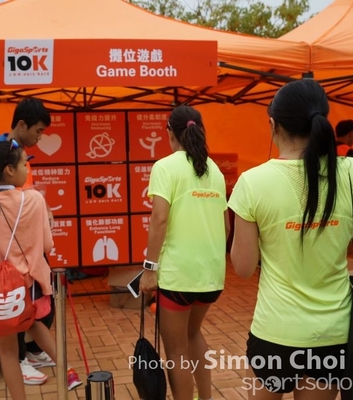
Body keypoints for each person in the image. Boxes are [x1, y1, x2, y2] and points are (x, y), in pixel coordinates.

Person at [228, 79, 353, 399]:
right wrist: (338, 225)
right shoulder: (351, 172)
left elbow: (243, 267)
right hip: (332, 333)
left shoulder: (252, 182)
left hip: (275, 331)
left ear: (273, 125)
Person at [0, 140, 81, 398]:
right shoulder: (35, 199)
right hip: (32, 283)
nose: (28, 169)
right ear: (9, 170)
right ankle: (67, 369)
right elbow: (47, 245)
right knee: (34, 323)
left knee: (7, 349)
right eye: (24, 164)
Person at [139, 105, 229, 400]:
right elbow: (226, 226)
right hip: (211, 275)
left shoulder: (165, 167)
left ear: (169, 132)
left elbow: (159, 219)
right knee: (193, 335)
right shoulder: (214, 169)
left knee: (176, 350)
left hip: (178, 275)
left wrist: (150, 269)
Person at [0, 98, 63, 386]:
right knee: (14, 305)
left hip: (27, 245)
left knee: (38, 305)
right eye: (38, 131)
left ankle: (33, 352)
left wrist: (42, 209)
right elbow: (3, 203)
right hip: (8, 251)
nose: (40, 138)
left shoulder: (18, 151)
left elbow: (23, 194)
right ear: (22, 125)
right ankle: (20, 359)